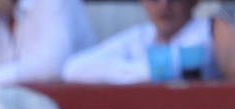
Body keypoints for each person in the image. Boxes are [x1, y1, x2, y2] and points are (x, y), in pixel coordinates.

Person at [63, 0, 220, 83]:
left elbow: (187, 65)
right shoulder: (140, 35)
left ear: (194, 1)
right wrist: (149, 72)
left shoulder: (211, 33)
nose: (164, 6)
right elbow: (74, 69)